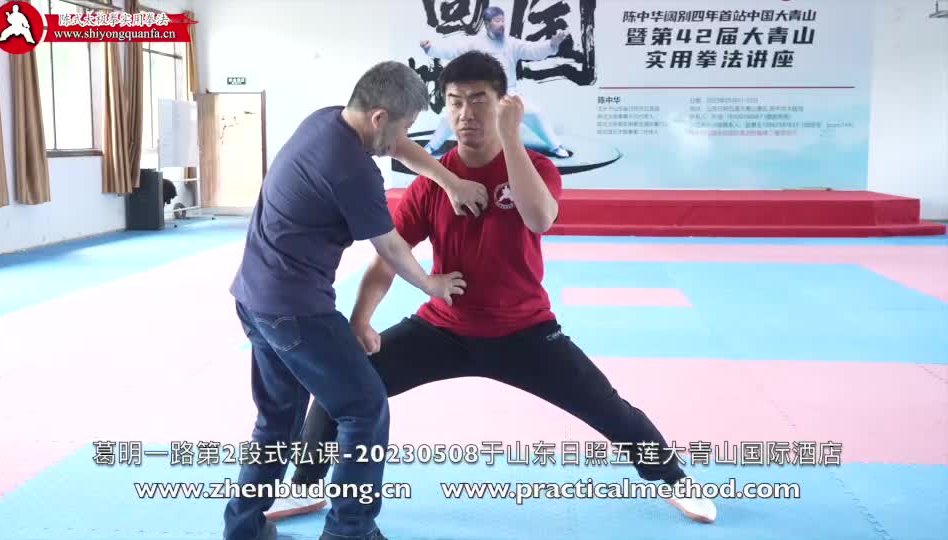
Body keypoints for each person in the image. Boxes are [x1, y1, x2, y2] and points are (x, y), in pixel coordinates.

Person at [266, 51, 718, 526]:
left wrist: (512, 137)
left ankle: (673, 478)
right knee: (338, 386)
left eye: (479, 100)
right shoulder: (432, 183)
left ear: (503, 104)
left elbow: (539, 218)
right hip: (442, 330)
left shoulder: (537, 168)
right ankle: (306, 483)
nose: (466, 114)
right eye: (455, 101)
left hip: (524, 331)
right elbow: (387, 259)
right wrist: (362, 320)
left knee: (609, 409)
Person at [225, 61, 489, 540]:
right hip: (296, 310)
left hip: (254, 298)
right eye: (404, 126)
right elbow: (390, 247)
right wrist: (432, 285)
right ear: (379, 118)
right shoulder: (352, 172)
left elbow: (398, 147)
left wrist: (448, 181)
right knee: (364, 408)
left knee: (277, 418)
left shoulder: (325, 120)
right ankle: (350, 530)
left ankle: (242, 529)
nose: (404, 139)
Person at [419, 5, 571, 158]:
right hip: (480, 95)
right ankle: (432, 145)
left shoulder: (511, 43)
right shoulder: (474, 44)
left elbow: (532, 50)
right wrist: (430, 49)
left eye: (503, 20)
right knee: (449, 116)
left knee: (534, 112)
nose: (502, 24)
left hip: (508, 93)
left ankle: (556, 146)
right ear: (487, 24)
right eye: (497, 21)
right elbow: (453, 51)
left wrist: (552, 45)